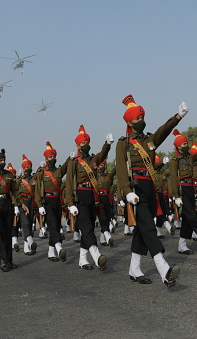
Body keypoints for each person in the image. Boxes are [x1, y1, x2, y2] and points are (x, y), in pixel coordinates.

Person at [116, 94, 186, 288]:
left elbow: (164, 130)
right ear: (129, 122)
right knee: (147, 226)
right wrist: (127, 190)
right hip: (135, 189)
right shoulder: (124, 143)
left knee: (142, 231)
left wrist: (178, 117)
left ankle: (134, 269)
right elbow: (122, 170)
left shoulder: (149, 141)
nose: (141, 121)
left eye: (142, 117)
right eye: (137, 119)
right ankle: (164, 269)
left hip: (149, 187)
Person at [65, 125, 113, 270]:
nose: (86, 145)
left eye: (87, 142)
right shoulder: (74, 161)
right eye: (83, 143)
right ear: (78, 145)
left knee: (90, 226)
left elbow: (102, 155)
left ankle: (82, 260)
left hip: (93, 196)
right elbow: (68, 182)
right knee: (86, 228)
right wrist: (70, 202)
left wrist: (107, 144)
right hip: (81, 196)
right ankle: (97, 256)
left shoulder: (93, 159)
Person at [35, 142, 70, 263]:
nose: (53, 159)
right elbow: (37, 190)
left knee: (56, 224)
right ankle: (59, 248)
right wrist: (39, 205)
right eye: (50, 157)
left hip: (57, 201)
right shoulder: (41, 172)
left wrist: (70, 158)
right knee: (53, 226)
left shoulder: (58, 171)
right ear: (46, 159)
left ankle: (51, 252)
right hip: (47, 201)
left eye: (54, 156)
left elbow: (65, 167)